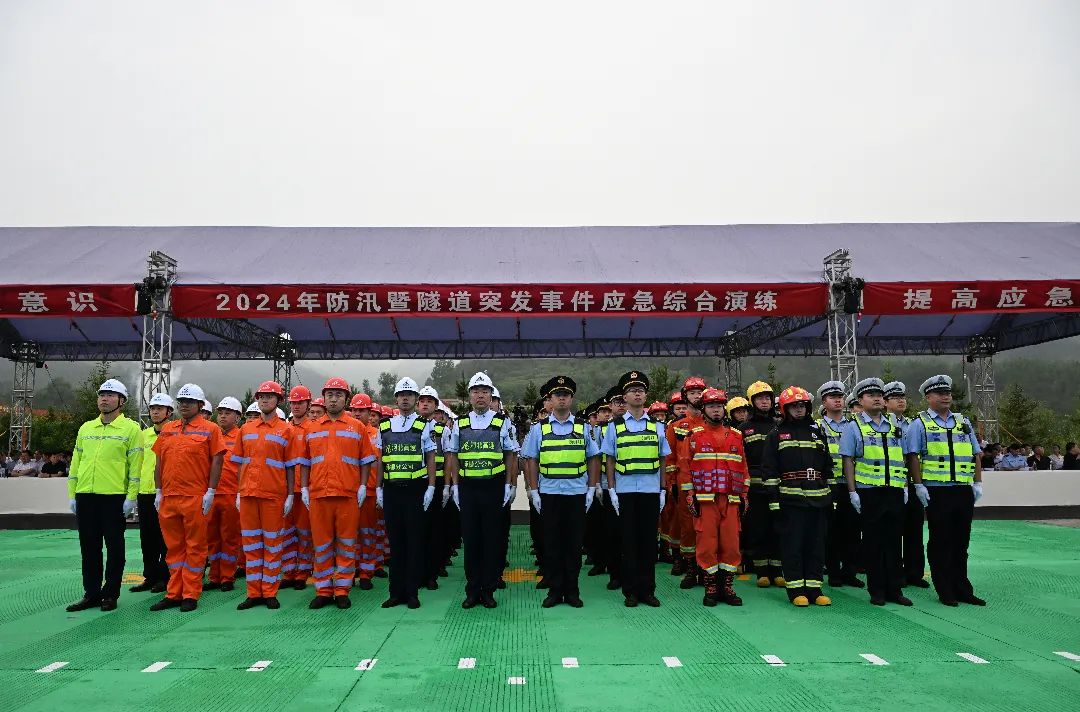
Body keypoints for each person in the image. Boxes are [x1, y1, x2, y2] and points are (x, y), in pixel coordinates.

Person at [904, 374, 986, 607]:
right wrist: (918, 485)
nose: (946, 397)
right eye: (940, 393)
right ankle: (945, 589)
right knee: (941, 541)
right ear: (928, 397)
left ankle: (962, 588)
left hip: (962, 489)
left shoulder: (962, 422)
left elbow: (975, 454)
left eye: (948, 393)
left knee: (961, 542)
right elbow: (912, 456)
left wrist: (977, 482)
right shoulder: (919, 424)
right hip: (937, 490)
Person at [65, 379, 143, 613]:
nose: (104, 399)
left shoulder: (131, 429)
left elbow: (135, 467)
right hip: (86, 496)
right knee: (89, 548)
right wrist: (72, 494)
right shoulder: (86, 428)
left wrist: (131, 497)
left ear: (121, 401)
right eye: (101, 395)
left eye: (110, 395)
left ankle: (110, 594)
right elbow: (76, 463)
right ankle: (91, 593)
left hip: (114, 497)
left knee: (114, 548)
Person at [523, 376, 600, 608]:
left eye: (566, 394)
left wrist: (591, 488)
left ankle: (572, 591)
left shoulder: (583, 427)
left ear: (571, 398)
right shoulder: (539, 429)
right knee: (552, 544)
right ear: (550, 399)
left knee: (574, 545)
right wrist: (534, 490)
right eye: (558, 395)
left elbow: (593, 458)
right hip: (550, 494)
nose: (562, 398)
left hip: (576, 494)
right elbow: (531, 460)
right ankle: (555, 591)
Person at [300, 378, 377, 609]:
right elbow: (305, 462)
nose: (333, 399)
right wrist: (304, 488)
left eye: (338, 395)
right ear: (324, 398)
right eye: (330, 395)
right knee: (321, 544)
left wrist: (363, 486)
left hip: (347, 494)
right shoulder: (312, 428)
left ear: (346, 399)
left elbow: (366, 460)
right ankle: (323, 590)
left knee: (346, 543)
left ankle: (342, 589)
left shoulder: (357, 427)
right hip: (319, 494)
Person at [444, 373, 518, 609]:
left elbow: (510, 455)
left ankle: (488, 589)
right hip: (468, 488)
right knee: (471, 539)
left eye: (485, 391)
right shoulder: (460, 423)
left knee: (492, 539)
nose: (480, 396)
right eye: (476, 391)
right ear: (470, 396)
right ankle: (472, 589)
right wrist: (455, 486)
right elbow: (453, 456)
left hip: (493, 487)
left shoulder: (502, 422)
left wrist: (509, 484)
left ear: (491, 395)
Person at [151, 383, 226, 613]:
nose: (184, 405)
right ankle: (174, 593)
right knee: (173, 548)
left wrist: (211, 491)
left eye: (189, 402)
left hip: (195, 497)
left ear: (200, 405)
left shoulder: (211, 429)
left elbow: (217, 461)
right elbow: (159, 462)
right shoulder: (168, 429)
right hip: (169, 497)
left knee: (195, 547)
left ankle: (191, 593)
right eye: (181, 401)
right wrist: (159, 491)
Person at [602, 370, 671, 608]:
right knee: (628, 542)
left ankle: (647, 590)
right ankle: (630, 591)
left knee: (649, 543)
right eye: (632, 390)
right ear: (625, 397)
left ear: (646, 395)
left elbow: (663, 459)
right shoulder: (615, 426)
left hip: (651, 491)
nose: (637, 394)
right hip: (625, 491)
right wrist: (612, 489)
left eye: (640, 390)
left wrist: (663, 490)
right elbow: (610, 459)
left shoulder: (657, 426)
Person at [841, 378, 911, 607]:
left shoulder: (894, 424)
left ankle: (895, 590)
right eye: (871, 395)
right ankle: (877, 590)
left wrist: (905, 486)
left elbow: (903, 457)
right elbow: (848, 460)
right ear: (860, 400)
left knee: (894, 542)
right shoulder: (854, 426)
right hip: (869, 492)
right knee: (873, 543)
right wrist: (852, 491)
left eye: (879, 395)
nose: (877, 398)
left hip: (894, 490)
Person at [761, 386, 833, 607]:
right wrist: (774, 501)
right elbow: (769, 471)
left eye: (802, 405)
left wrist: (832, 497)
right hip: (790, 500)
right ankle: (795, 590)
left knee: (816, 545)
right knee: (793, 545)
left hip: (818, 499)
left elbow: (827, 466)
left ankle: (815, 588)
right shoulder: (776, 434)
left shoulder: (817, 433)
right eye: (794, 406)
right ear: (785, 409)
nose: (799, 409)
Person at [231, 381, 300, 610]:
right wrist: (239, 492)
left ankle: (269, 591)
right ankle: (253, 593)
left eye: (270, 396)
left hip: (273, 496)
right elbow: (240, 464)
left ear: (278, 401)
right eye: (261, 396)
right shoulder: (246, 429)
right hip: (248, 495)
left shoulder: (286, 430)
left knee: (272, 544)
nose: (265, 400)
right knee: (251, 545)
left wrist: (290, 495)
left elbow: (290, 466)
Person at [376, 377, 439, 609]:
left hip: (415, 490)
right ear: (396, 399)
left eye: (409, 395)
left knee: (414, 542)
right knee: (396, 543)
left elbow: (431, 457)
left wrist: (431, 486)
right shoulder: (384, 426)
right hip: (392, 490)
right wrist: (378, 487)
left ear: (415, 399)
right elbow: (380, 460)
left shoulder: (425, 425)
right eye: (402, 395)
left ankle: (412, 592)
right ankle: (395, 592)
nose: (405, 398)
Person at [685, 388, 749, 606]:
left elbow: (744, 468)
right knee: (707, 543)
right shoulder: (694, 436)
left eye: (719, 406)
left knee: (731, 544)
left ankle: (727, 587)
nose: (716, 410)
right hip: (705, 501)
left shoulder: (736, 436)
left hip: (731, 500)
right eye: (711, 406)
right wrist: (690, 495)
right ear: (704, 409)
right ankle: (711, 587)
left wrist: (744, 495)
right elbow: (686, 467)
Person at [816, 380, 863, 589]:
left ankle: (850, 572)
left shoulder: (854, 425)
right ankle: (834, 572)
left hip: (851, 485)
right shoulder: (817, 427)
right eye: (832, 397)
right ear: (824, 402)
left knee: (852, 530)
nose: (837, 400)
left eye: (840, 397)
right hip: (829, 485)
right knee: (832, 531)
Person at [738, 381, 783, 588]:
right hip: (754, 487)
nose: (764, 402)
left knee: (777, 526)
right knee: (758, 527)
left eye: (767, 398)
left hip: (778, 485)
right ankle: (762, 571)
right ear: (752, 402)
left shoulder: (780, 425)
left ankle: (777, 570)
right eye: (759, 398)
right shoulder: (744, 429)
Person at [884, 380, 929, 589]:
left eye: (902, 397)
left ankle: (914, 572)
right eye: (895, 398)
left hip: (912, 482)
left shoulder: (913, 424)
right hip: (892, 484)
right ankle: (895, 573)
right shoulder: (882, 424)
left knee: (914, 529)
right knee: (893, 532)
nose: (900, 401)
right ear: (885, 402)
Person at [130, 393, 173, 594]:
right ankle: (150, 576)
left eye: (159, 409)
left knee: (166, 538)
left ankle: (165, 577)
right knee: (147, 538)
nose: (155, 412)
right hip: (145, 493)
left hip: (166, 494)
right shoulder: (143, 435)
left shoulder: (173, 433)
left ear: (169, 412)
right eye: (153, 408)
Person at [669, 377, 708, 589]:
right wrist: (672, 485)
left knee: (708, 528)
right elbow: (670, 459)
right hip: (684, 485)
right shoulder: (676, 427)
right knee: (687, 528)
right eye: (692, 393)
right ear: (685, 397)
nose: (697, 396)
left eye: (700, 392)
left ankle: (706, 569)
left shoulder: (712, 424)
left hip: (709, 484)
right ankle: (691, 569)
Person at [205, 397, 243, 592]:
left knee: (229, 537)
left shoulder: (241, 437)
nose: (222, 416)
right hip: (212, 494)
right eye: (220, 413)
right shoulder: (212, 435)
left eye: (228, 413)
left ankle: (227, 576)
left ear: (237, 417)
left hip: (231, 494)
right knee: (212, 537)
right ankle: (214, 576)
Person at [349, 392, 383, 589]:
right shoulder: (347, 431)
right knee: (349, 534)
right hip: (349, 492)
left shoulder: (377, 435)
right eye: (354, 410)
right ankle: (352, 568)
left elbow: (379, 464)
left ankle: (366, 572)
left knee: (367, 533)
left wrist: (378, 489)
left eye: (361, 410)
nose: (357, 414)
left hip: (369, 491)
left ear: (369, 412)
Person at [417, 386, 450, 590]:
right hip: (416, 484)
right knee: (417, 529)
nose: (425, 404)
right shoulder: (409, 427)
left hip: (436, 484)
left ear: (436, 406)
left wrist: (446, 485)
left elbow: (448, 459)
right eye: (422, 401)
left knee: (435, 529)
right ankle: (418, 572)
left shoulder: (443, 430)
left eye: (429, 401)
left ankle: (432, 572)